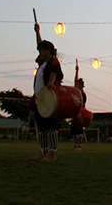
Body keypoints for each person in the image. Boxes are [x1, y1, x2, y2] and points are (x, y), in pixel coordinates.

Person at [31, 23, 64, 161]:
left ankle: (52, 153)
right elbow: (39, 44)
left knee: (50, 127)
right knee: (42, 127)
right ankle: (43, 151)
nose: (40, 53)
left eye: (42, 50)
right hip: (40, 98)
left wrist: (51, 82)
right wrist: (37, 32)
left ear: (48, 51)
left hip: (49, 99)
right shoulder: (43, 64)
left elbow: (54, 73)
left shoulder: (53, 62)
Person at [71, 62, 87, 151]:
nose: (76, 85)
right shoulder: (76, 92)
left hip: (80, 113)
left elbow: (81, 105)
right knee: (74, 130)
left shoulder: (82, 94)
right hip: (75, 113)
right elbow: (75, 81)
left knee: (79, 130)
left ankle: (79, 145)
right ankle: (75, 144)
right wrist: (76, 71)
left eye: (78, 84)